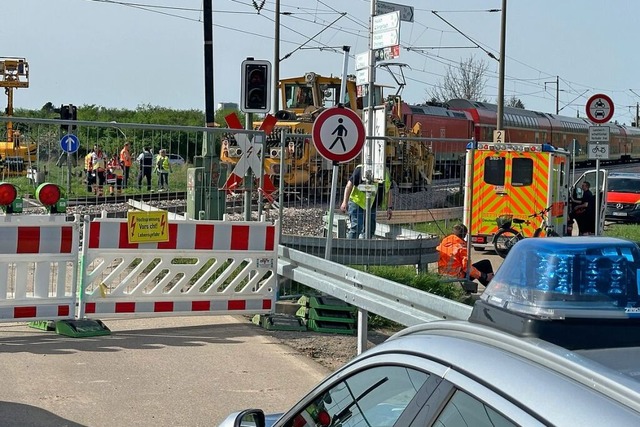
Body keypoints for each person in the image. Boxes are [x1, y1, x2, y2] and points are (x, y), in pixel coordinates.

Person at [340, 164, 394, 239]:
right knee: (357, 227)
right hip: (357, 202)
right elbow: (349, 185)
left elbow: (389, 190)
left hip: (372, 205)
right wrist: (344, 202)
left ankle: (365, 248)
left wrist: (389, 207)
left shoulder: (384, 173)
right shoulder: (361, 169)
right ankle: (350, 248)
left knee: (370, 229)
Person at [436, 224, 494, 291]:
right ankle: (492, 288)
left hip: (443, 276)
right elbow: (467, 268)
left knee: (477, 269)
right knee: (485, 264)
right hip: (458, 277)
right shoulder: (461, 247)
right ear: (465, 235)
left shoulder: (441, 245)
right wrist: (484, 276)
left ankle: (491, 286)